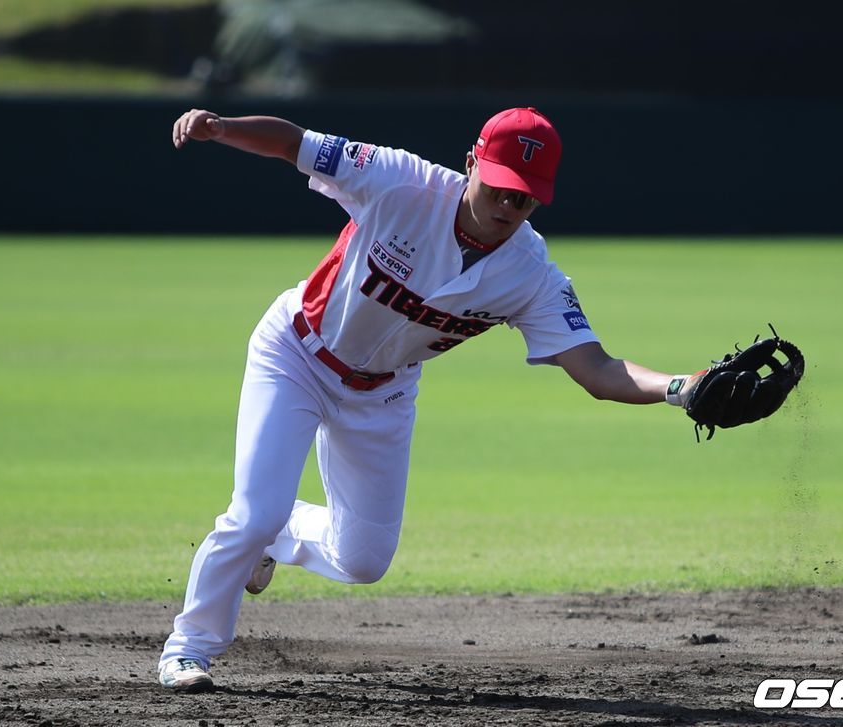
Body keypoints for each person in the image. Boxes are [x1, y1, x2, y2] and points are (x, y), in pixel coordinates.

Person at [158, 106, 704, 692]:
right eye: (498, 189)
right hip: (296, 354)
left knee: (363, 560)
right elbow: (296, 143)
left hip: (384, 394)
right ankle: (189, 648)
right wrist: (221, 128)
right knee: (252, 510)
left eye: (524, 200)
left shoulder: (532, 275)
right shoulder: (400, 181)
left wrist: (681, 388)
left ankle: (275, 532)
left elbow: (597, 370)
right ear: (472, 162)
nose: (506, 209)